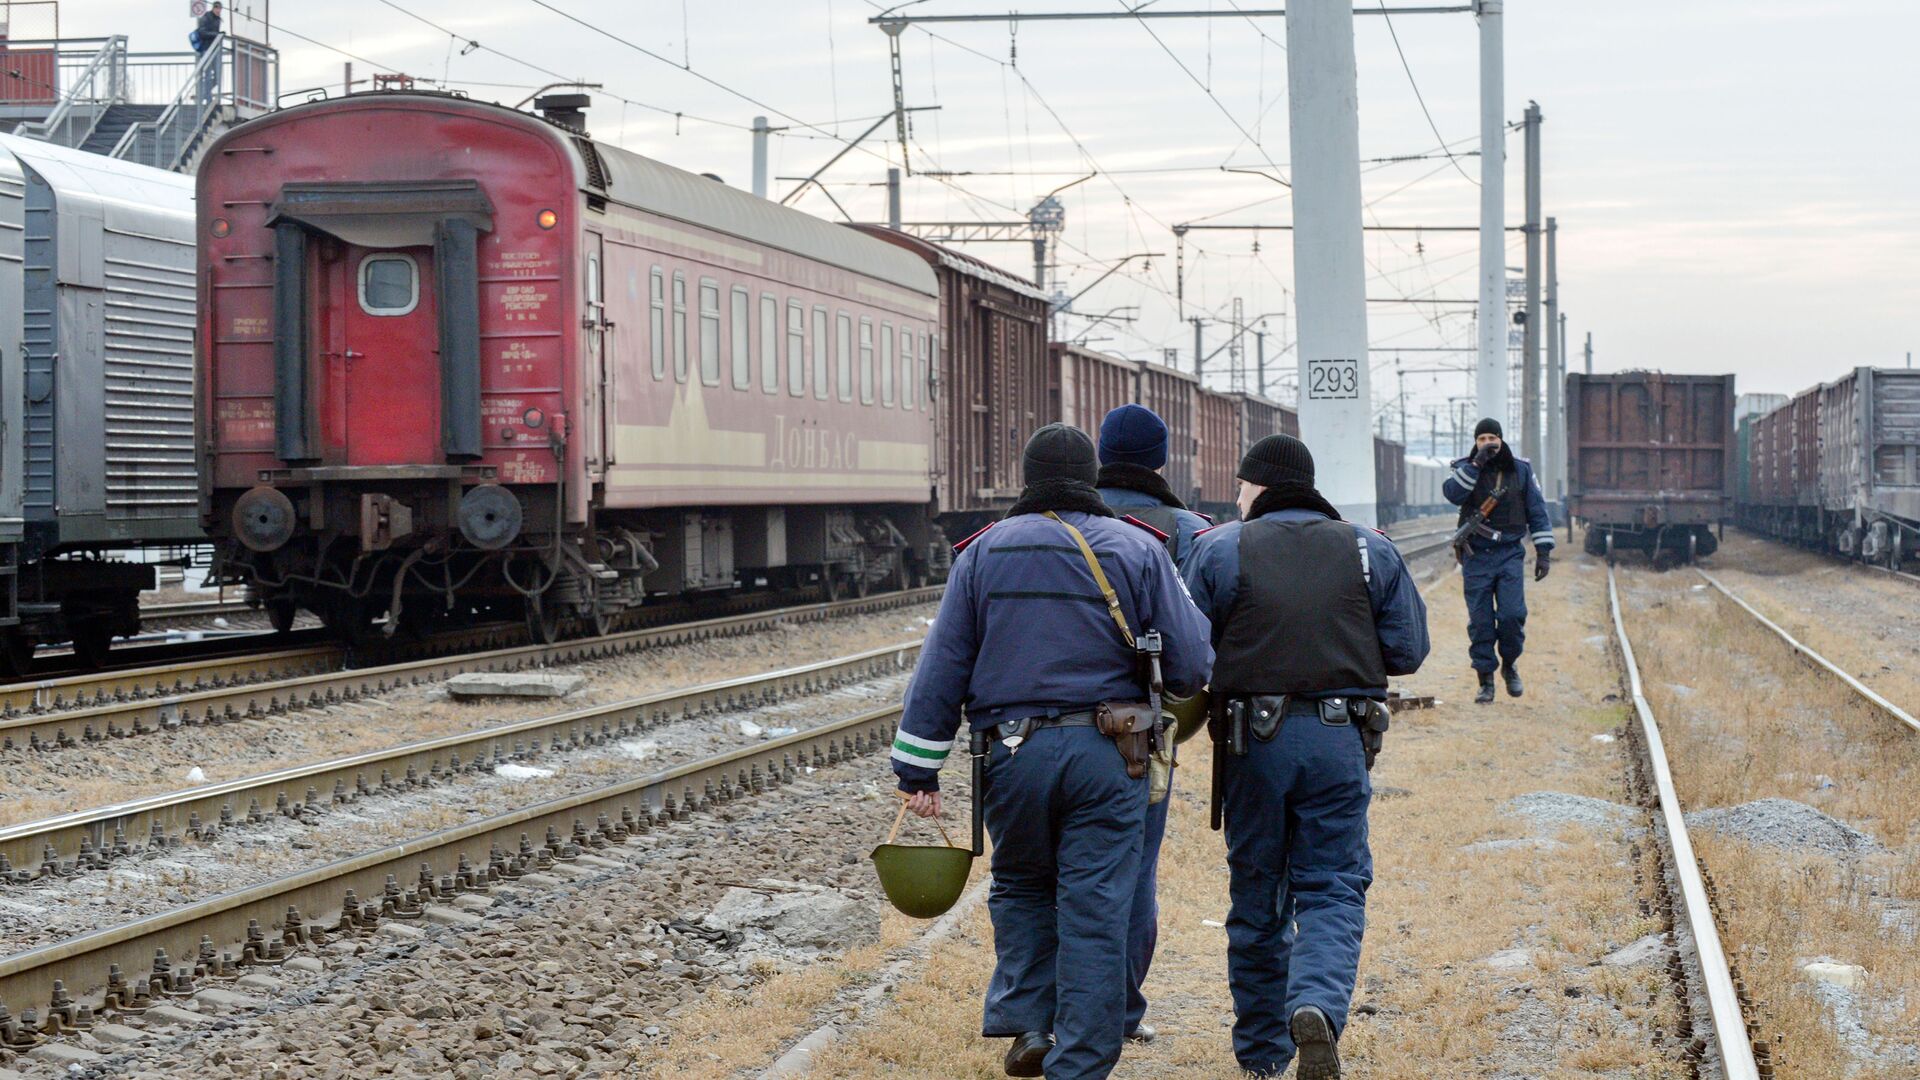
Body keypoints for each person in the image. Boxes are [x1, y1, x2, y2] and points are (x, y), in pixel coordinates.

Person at [892, 423, 1213, 1080]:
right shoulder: (1137, 548)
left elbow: (942, 666)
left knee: (1021, 885)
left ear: (1028, 478)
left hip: (1012, 755)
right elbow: (1192, 663)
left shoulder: (983, 554)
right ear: (1090, 477)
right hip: (1111, 753)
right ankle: (1082, 1062)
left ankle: (1033, 1025)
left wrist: (917, 768)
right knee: (1096, 900)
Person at [1183, 434, 1429, 1079]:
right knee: (1333, 884)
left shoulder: (1219, 549)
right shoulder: (1368, 548)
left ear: (1258, 486)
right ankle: (1316, 1002)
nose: (1236, 498)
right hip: (1339, 741)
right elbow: (1407, 651)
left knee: (1258, 892)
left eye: (1240, 487)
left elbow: (1184, 655)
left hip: (1250, 746)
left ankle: (1264, 1052)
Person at [1091, 402, 1212, 1046]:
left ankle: (1058, 1008)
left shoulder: (1062, 521)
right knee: (1133, 870)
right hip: (1146, 729)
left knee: (1057, 872)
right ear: (1162, 459)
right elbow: (1201, 641)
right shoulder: (1190, 531)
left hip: (1048, 728)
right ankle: (1120, 1010)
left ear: (1102, 453)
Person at [1443, 418, 1555, 704]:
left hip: (1509, 553)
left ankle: (1509, 663)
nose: (1487, 443)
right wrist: (1476, 464)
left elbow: (1537, 510)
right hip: (1476, 555)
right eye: (1481, 439)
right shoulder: (1465, 468)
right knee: (1480, 622)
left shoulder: (1520, 470)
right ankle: (1486, 680)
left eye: (1492, 437)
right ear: (1475, 442)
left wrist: (1543, 552)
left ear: (1502, 439)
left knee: (1511, 615)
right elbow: (1453, 494)